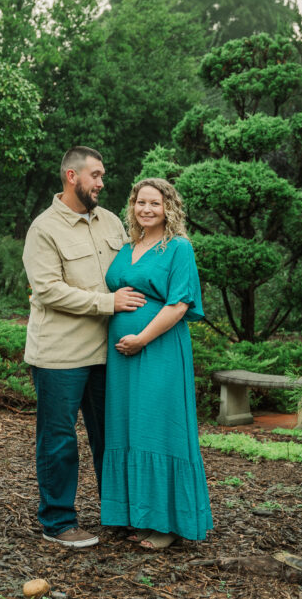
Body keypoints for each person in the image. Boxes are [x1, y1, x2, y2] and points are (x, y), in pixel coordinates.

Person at [22, 146, 145, 548]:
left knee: (111, 437)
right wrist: (106, 303)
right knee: (59, 440)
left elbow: (134, 269)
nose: (102, 183)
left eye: (103, 175)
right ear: (72, 177)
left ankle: (118, 514)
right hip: (60, 355)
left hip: (109, 353)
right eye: (95, 175)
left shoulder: (110, 222)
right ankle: (58, 522)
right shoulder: (44, 229)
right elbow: (49, 290)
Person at [100, 177, 213, 549]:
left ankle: (165, 525)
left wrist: (142, 339)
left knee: (157, 428)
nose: (147, 209)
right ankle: (136, 514)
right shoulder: (128, 246)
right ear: (132, 206)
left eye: (155, 204)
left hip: (157, 350)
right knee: (127, 428)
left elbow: (179, 304)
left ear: (169, 209)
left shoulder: (178, 248)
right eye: (140, 202)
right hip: (122, 359)